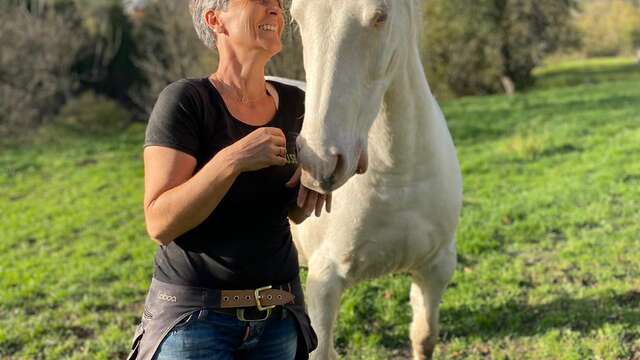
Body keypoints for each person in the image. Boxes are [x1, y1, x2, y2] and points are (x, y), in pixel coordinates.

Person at [126, 0, 327, 359]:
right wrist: (233, 159)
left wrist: (326, 171)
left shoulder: (298, 105)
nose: (275, 10)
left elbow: (291, 214)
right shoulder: (187, 101)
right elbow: (159, 223)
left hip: (280, 317)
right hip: (195, 322)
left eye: (278, 4)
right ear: (215, 19)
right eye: (260, 1)